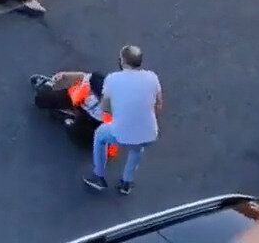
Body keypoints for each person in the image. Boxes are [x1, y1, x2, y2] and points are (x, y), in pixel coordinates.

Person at [83, 45, 163, 196]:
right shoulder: (152, 77)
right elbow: (158, 104)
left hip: (122, 133)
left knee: (100, 135)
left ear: (122, 61)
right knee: (137, 147)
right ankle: (126, 183)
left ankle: (98, 176)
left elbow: (105, 108)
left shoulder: (113, 79)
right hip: (150, 133)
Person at [30, 70, 116, 153]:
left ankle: (68, 120)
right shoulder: (100, 84)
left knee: (81, 139)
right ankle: (49, 85)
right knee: (42, 100)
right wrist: (64, 75)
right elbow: (83, 77)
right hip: (77, 98)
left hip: (94, 122)